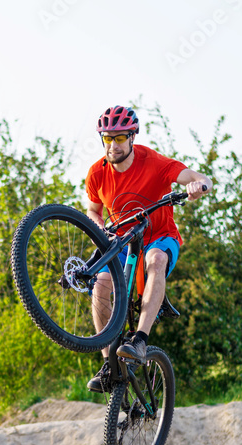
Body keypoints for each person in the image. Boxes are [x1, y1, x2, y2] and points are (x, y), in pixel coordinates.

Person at [85, 105, 212, 393]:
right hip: (121, 240)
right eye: (107, 138)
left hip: (159, 237)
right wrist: (100, 226)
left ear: (132, 137)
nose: (113, 145)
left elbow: (200, 178)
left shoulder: (154, 162)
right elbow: (94, 210)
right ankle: (108, 363)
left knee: (155, 259)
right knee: (101, 284)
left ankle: (140, 340)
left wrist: (198, 187)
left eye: (119, 138)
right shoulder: (97, 173)